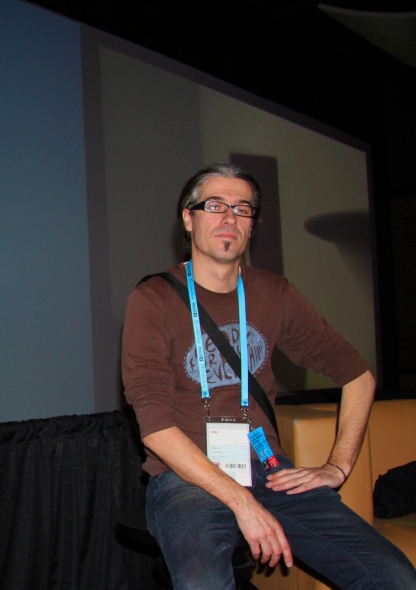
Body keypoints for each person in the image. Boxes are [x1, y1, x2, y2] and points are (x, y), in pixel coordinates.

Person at [121, 163, 416, 589]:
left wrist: (337, 467)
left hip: (270, 470)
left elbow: (358, 376)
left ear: (252, 225)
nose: (230, 217)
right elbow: (154, 427)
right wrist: (242, 502)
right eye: (215, 205)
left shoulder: (274, 293)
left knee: (394, 577)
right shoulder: (152, 299)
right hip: (186, 478)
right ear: (188, 218)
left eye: (242, 209)